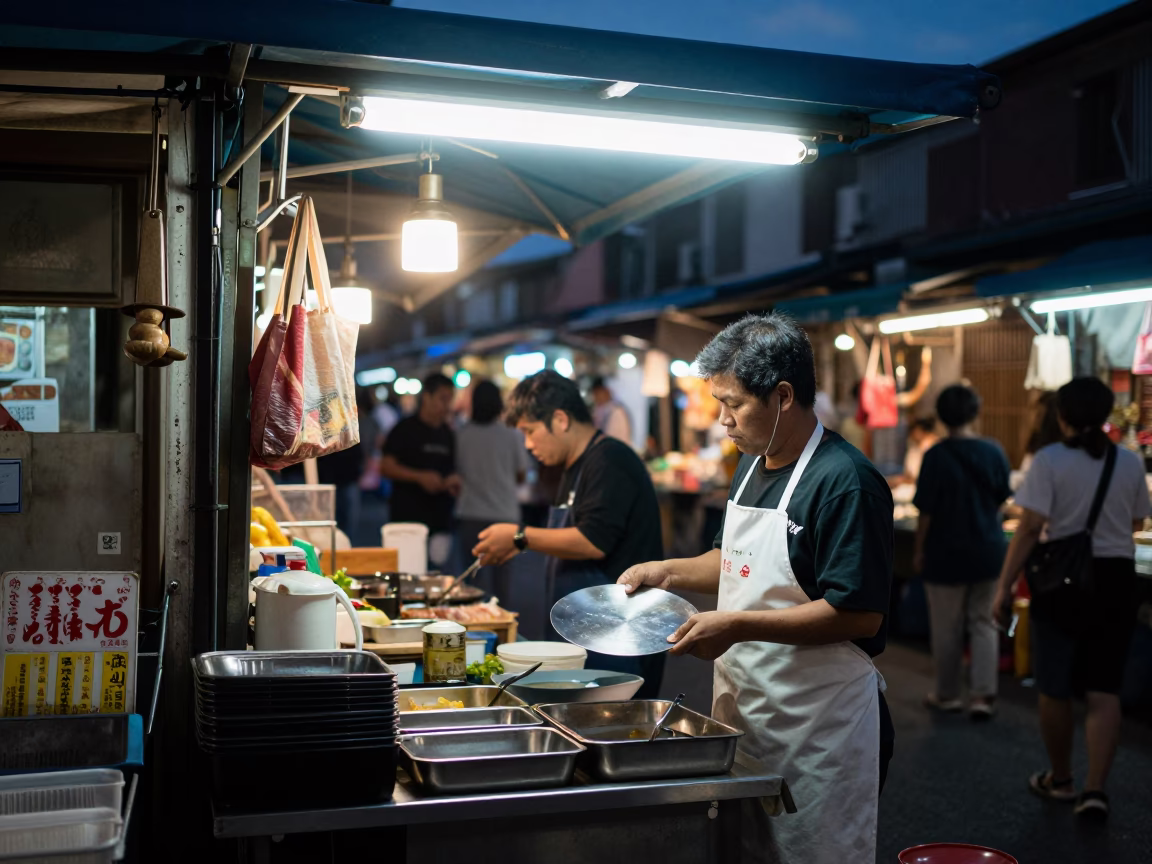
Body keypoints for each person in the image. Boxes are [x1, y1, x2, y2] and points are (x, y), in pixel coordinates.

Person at [619, 313, 894, 864]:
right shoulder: (752, 465)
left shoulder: (845, 481)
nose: (722, 420)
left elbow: (859, 614)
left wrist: (737, 624)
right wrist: (666, 571)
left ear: (783, 395)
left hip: (822, 726)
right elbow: (732, 561)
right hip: (749, 713)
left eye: (733, 403)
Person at [992, 377, 1150, 821]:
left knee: (1055, 685)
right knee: (1104, 688)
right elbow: (1138, 521)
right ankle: (1095, 790)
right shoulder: (1130, 461)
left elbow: (1027, 528)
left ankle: (1061, 780)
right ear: (1105, 416)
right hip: (1115, 578)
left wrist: (1004, 587)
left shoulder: (1049, 460)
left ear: (1060, 416)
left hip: (1060, 577)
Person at [472, 370, 665, 697]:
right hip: (586, 635)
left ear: (560, 419)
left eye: (530, 432)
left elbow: (592, 541)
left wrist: (519, 537)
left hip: (619, 639)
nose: (528, 445)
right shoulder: (573, 467)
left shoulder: (610, 459)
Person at [913, 385, 1011, 719]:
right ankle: (983, 696)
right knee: (984, 623)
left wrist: (918, 550)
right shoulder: (994, 450)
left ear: (941, 417)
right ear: (975, 412)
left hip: (945, 552)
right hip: (988, 550)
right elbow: (1002, 499)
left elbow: (925, 512)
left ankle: (948, 694)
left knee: (947, 626)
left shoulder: (936, 456)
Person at [379, 373, 462, 569]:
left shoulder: (448, 434)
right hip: (407, 518)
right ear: (427, 397)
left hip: (440, 519)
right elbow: (386, 467)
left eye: (450, 400)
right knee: (407, 574)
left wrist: (452, 482)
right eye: (443, 399)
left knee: (438, 576)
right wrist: (418, 477)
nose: (447, 406)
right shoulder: (404, 429)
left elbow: (451, 469)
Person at [456, 380, 529, 599]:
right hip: (505, 515)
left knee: (472, 581)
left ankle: (470, 626)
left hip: (470, 513)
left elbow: (457, 472)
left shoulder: (462, 435)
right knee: (502, 582)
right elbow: (521, 474)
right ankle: (502, 626)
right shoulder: (511, 435)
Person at [589, 376, 633, 446]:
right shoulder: (600, 410)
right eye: (594, 394)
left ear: (606, 391)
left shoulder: (616, 411)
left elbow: (614, 438)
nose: (595, 397)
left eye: (597, 393)